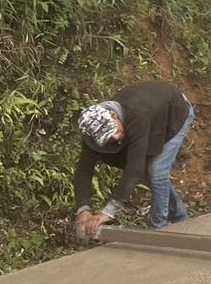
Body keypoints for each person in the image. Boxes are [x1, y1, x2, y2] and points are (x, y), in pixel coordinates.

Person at [73, 80, 195, 239]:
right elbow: (83, 170)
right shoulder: (92, 130)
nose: (117, 138)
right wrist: (83, 209)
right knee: (148, 173)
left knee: (156, 171)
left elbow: (134, 168)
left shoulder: (136, 115)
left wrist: (109, 212)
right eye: (109, 138)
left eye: (115, 131)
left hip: (175, 113)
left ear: (114, 115)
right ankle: (180, 216)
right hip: (152, 118)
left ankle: (158, 229)